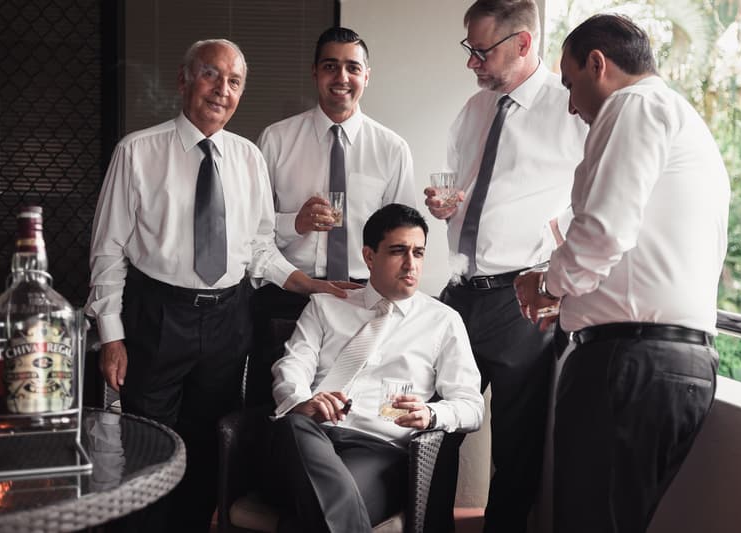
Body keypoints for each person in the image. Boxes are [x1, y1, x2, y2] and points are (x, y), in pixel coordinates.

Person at [86, 38, 354, 533]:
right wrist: (111, 336)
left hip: (230, 318)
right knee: (149, 444)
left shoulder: (249, 157)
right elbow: (107, 251)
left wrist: (305, 284)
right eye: (212, 75)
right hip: (157, 317)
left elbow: (258, 247)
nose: (222, 90)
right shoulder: (138, 151)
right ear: (184, 80)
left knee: (212, 445)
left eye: (234, 82)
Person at [514, 14, 729, 533]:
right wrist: (567, 294)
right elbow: (631, 249)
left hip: (627, 363)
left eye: (570, 84)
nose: (570, 104)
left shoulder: (632, 105)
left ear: (597, 64)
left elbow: (604, 233)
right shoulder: (682, 120)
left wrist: (545, 284)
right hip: (679, 364)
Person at [423, 1, 587, 531]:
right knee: (433, 430)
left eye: (481, 50)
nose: (472, 62)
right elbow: (468, 188)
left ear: (522, 43)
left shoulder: (573, 109)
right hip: (459, 294)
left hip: (523, 301)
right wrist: (448, 207)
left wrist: (555, 266)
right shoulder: (473, 111)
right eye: (468, 48)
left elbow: (594, 201)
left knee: (516, 447)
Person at [267, 203, 484, 532]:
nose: (411, 264)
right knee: (293, 424)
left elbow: (472, 406)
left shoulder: (443, 321)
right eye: (399, 251)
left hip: (378, 452)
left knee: (304, 519)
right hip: (309, 437)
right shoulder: (326, 305)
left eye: (419, 253)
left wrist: (432, 413)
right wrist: (302, 403)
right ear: (369, 256)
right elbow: (291, 366)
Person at [256, 26, 416, 322]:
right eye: (331, 66)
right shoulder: (275, 140)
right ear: (315, 72)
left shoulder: (392, 149)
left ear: (366, 75)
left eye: (352, 68)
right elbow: (253, 232)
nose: (341, 77)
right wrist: (296, 223)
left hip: (364, 298)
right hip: (287, 294)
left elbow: (403, 239)